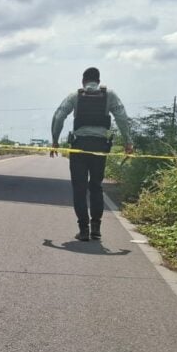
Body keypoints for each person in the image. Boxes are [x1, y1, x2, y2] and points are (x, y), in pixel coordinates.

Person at [51, 67, 133, 241]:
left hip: (79, 147)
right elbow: (122, 117)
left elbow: (59, 116)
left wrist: (55, 140)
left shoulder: (75, 96)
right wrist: (128, 142)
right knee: (96, 186)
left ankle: (83, 230)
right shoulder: (109, 95)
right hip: (100, 147)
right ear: (98, 80)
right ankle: (96, 228)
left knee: (79, 189)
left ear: (83, 81)